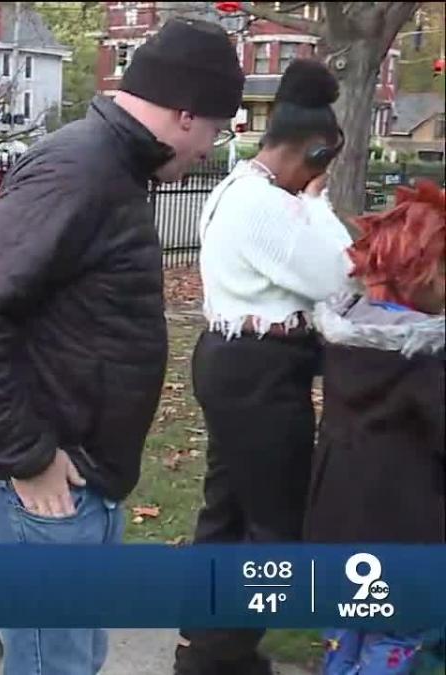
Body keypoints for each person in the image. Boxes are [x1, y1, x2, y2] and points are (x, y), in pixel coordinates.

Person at [0, 18, 244, 675]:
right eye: (215, 129)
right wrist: (29, 456)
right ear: (186, 114)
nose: (211, 148)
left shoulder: (114, 169)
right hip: (36, 492)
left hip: (78, 481)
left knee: (74, 659)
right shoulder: (82, 168)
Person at [175, 60, 356, 675]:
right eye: (322, 163)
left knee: (226, 511)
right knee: (279, 526)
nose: (320, 176)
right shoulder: (265, 205)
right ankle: (218, 655)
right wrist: (318, 203)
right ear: (310, 149)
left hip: (237, 362)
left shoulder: (237, 187)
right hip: (259, 370)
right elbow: (339, 273)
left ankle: (205, 638)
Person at [305, 180, 444, 675]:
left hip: (338, 524)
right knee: (396, 636)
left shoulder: (348, 340)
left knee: (349, 630)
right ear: (423, 272)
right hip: (405, 533)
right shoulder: (424, 358)